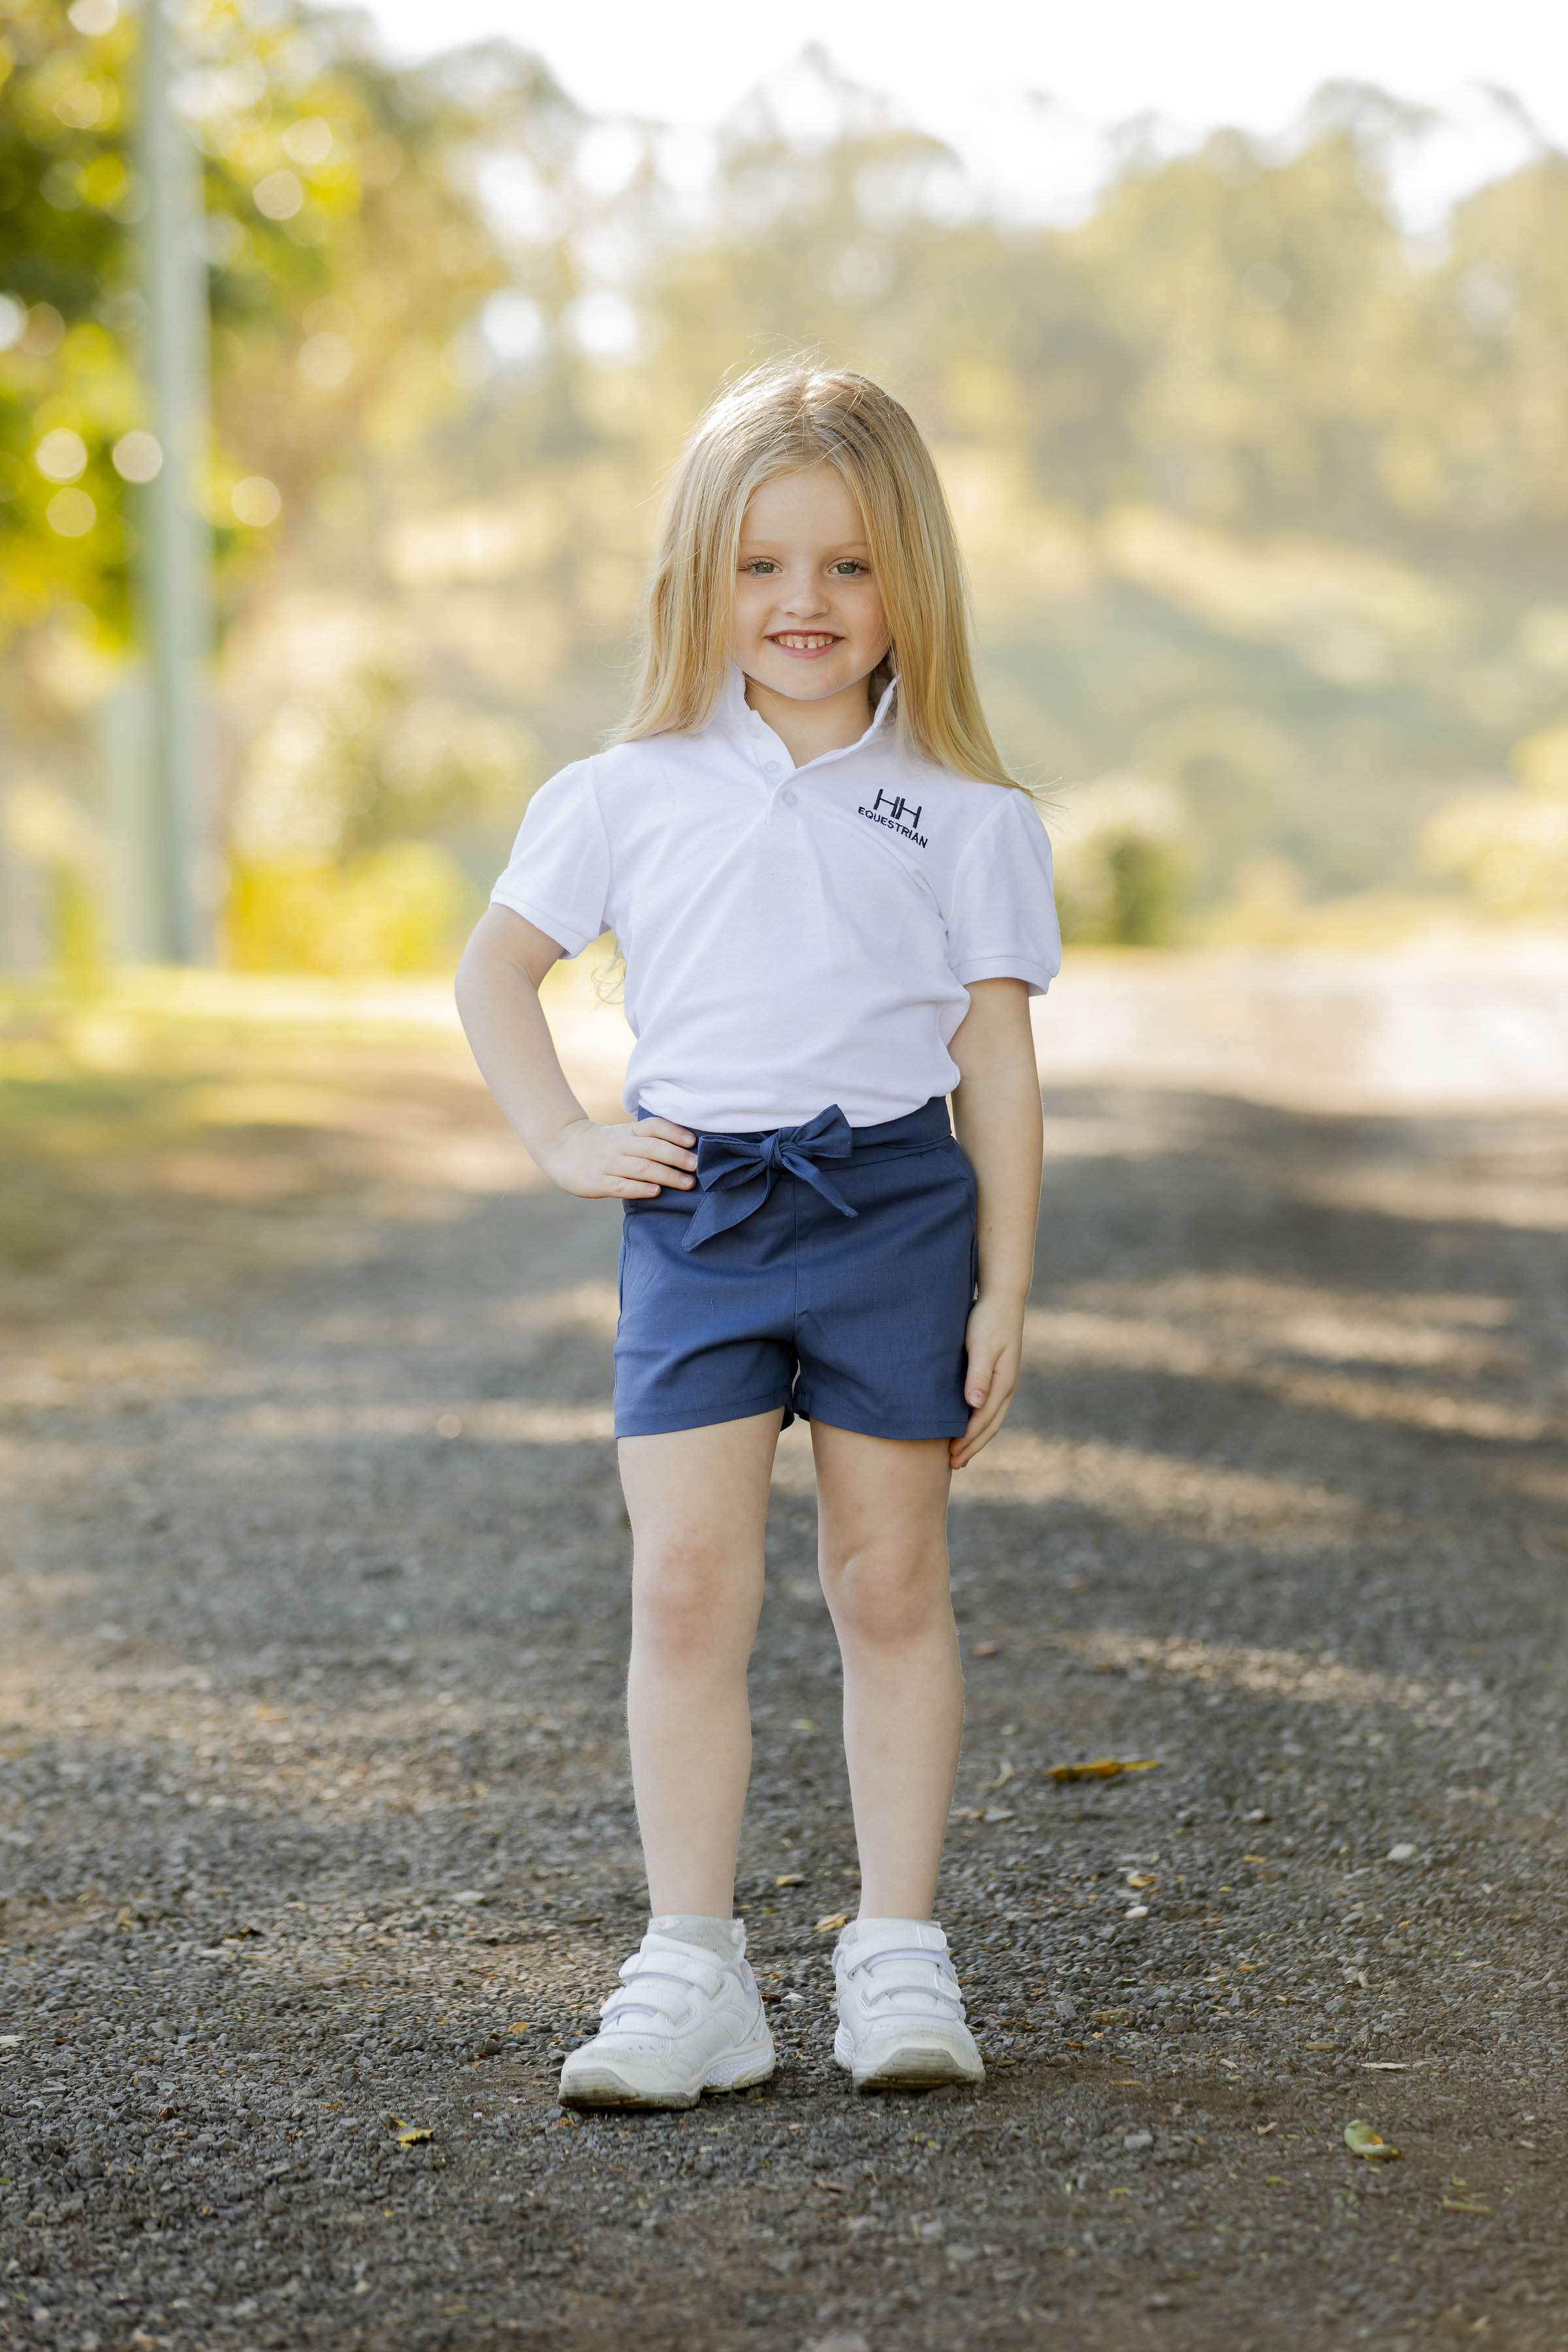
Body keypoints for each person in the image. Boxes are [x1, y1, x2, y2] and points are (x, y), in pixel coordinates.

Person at [455, 361, 1060, 2110]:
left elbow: (997, 1063)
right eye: (761, 565)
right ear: (699, 576)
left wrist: (1007, 1284)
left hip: (893, 1217)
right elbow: (497, 973)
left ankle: (897, 1954)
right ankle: (690, 1969)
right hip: (703, 1214)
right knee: (687, 1585)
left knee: (888, 1583)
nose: (804, 604)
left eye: (850, 566)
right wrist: (566, 1132)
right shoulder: (624, 788)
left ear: (911, 585)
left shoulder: (967, 811)